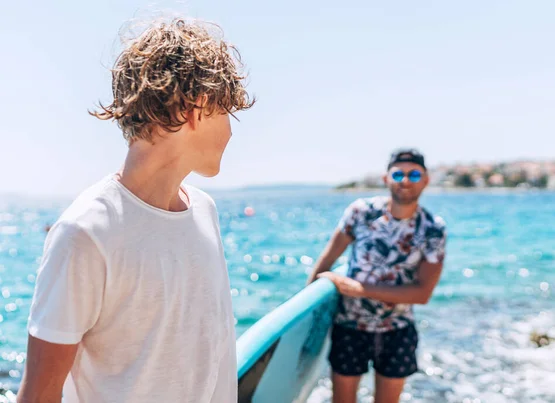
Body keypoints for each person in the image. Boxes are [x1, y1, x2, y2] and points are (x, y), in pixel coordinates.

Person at [17, 18, 254, 403]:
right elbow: (40, 394)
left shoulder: (204, 212)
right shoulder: (86, 233)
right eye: (226, 111)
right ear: (196, 108)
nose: (230, 131)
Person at [308, 149, 447, 403]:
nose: (406, 180)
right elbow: (326, 261)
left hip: (397, 329)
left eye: (414, 174)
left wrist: (360, 288)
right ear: (386, 179)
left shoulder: (432, 229)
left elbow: (422, 293)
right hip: (349, 326)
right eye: (399, 174)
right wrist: (307, 316)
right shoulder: (361, 212)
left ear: (426, 180)